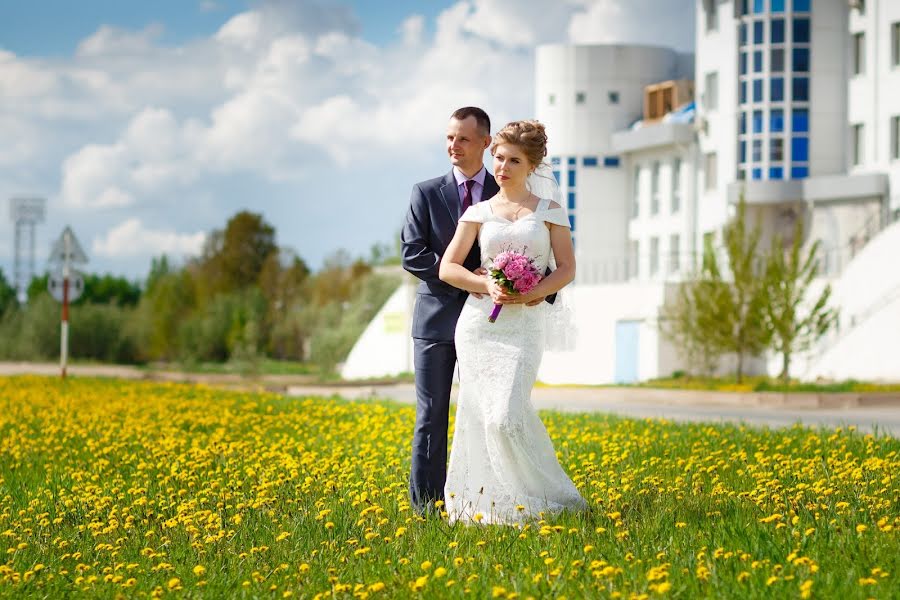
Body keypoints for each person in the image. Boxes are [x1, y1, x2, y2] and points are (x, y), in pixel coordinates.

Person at [438, 119, 587, 524]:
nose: (501, 168)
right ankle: (488, 504)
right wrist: (485, 284)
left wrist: (531, 291)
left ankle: (543, 496)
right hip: (477, 326)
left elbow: (567, 268)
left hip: (524, 327)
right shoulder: (478, 212)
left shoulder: (550, 212)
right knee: (479, 413)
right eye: (498, 158)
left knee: (506, 415)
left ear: (532, 164)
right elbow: (448, 268)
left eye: (513, 160)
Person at [401, 106, 497, 515]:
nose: (453, 146)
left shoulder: (504, 192)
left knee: (488, 416)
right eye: (449, 138)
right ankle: (427, 509)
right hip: (436, 321)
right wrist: (460, 275)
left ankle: (486, 501)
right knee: (431, 415)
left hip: (490, 323)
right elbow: (411, 253)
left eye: (462, 139)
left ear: (486, 144)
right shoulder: (425, 192)